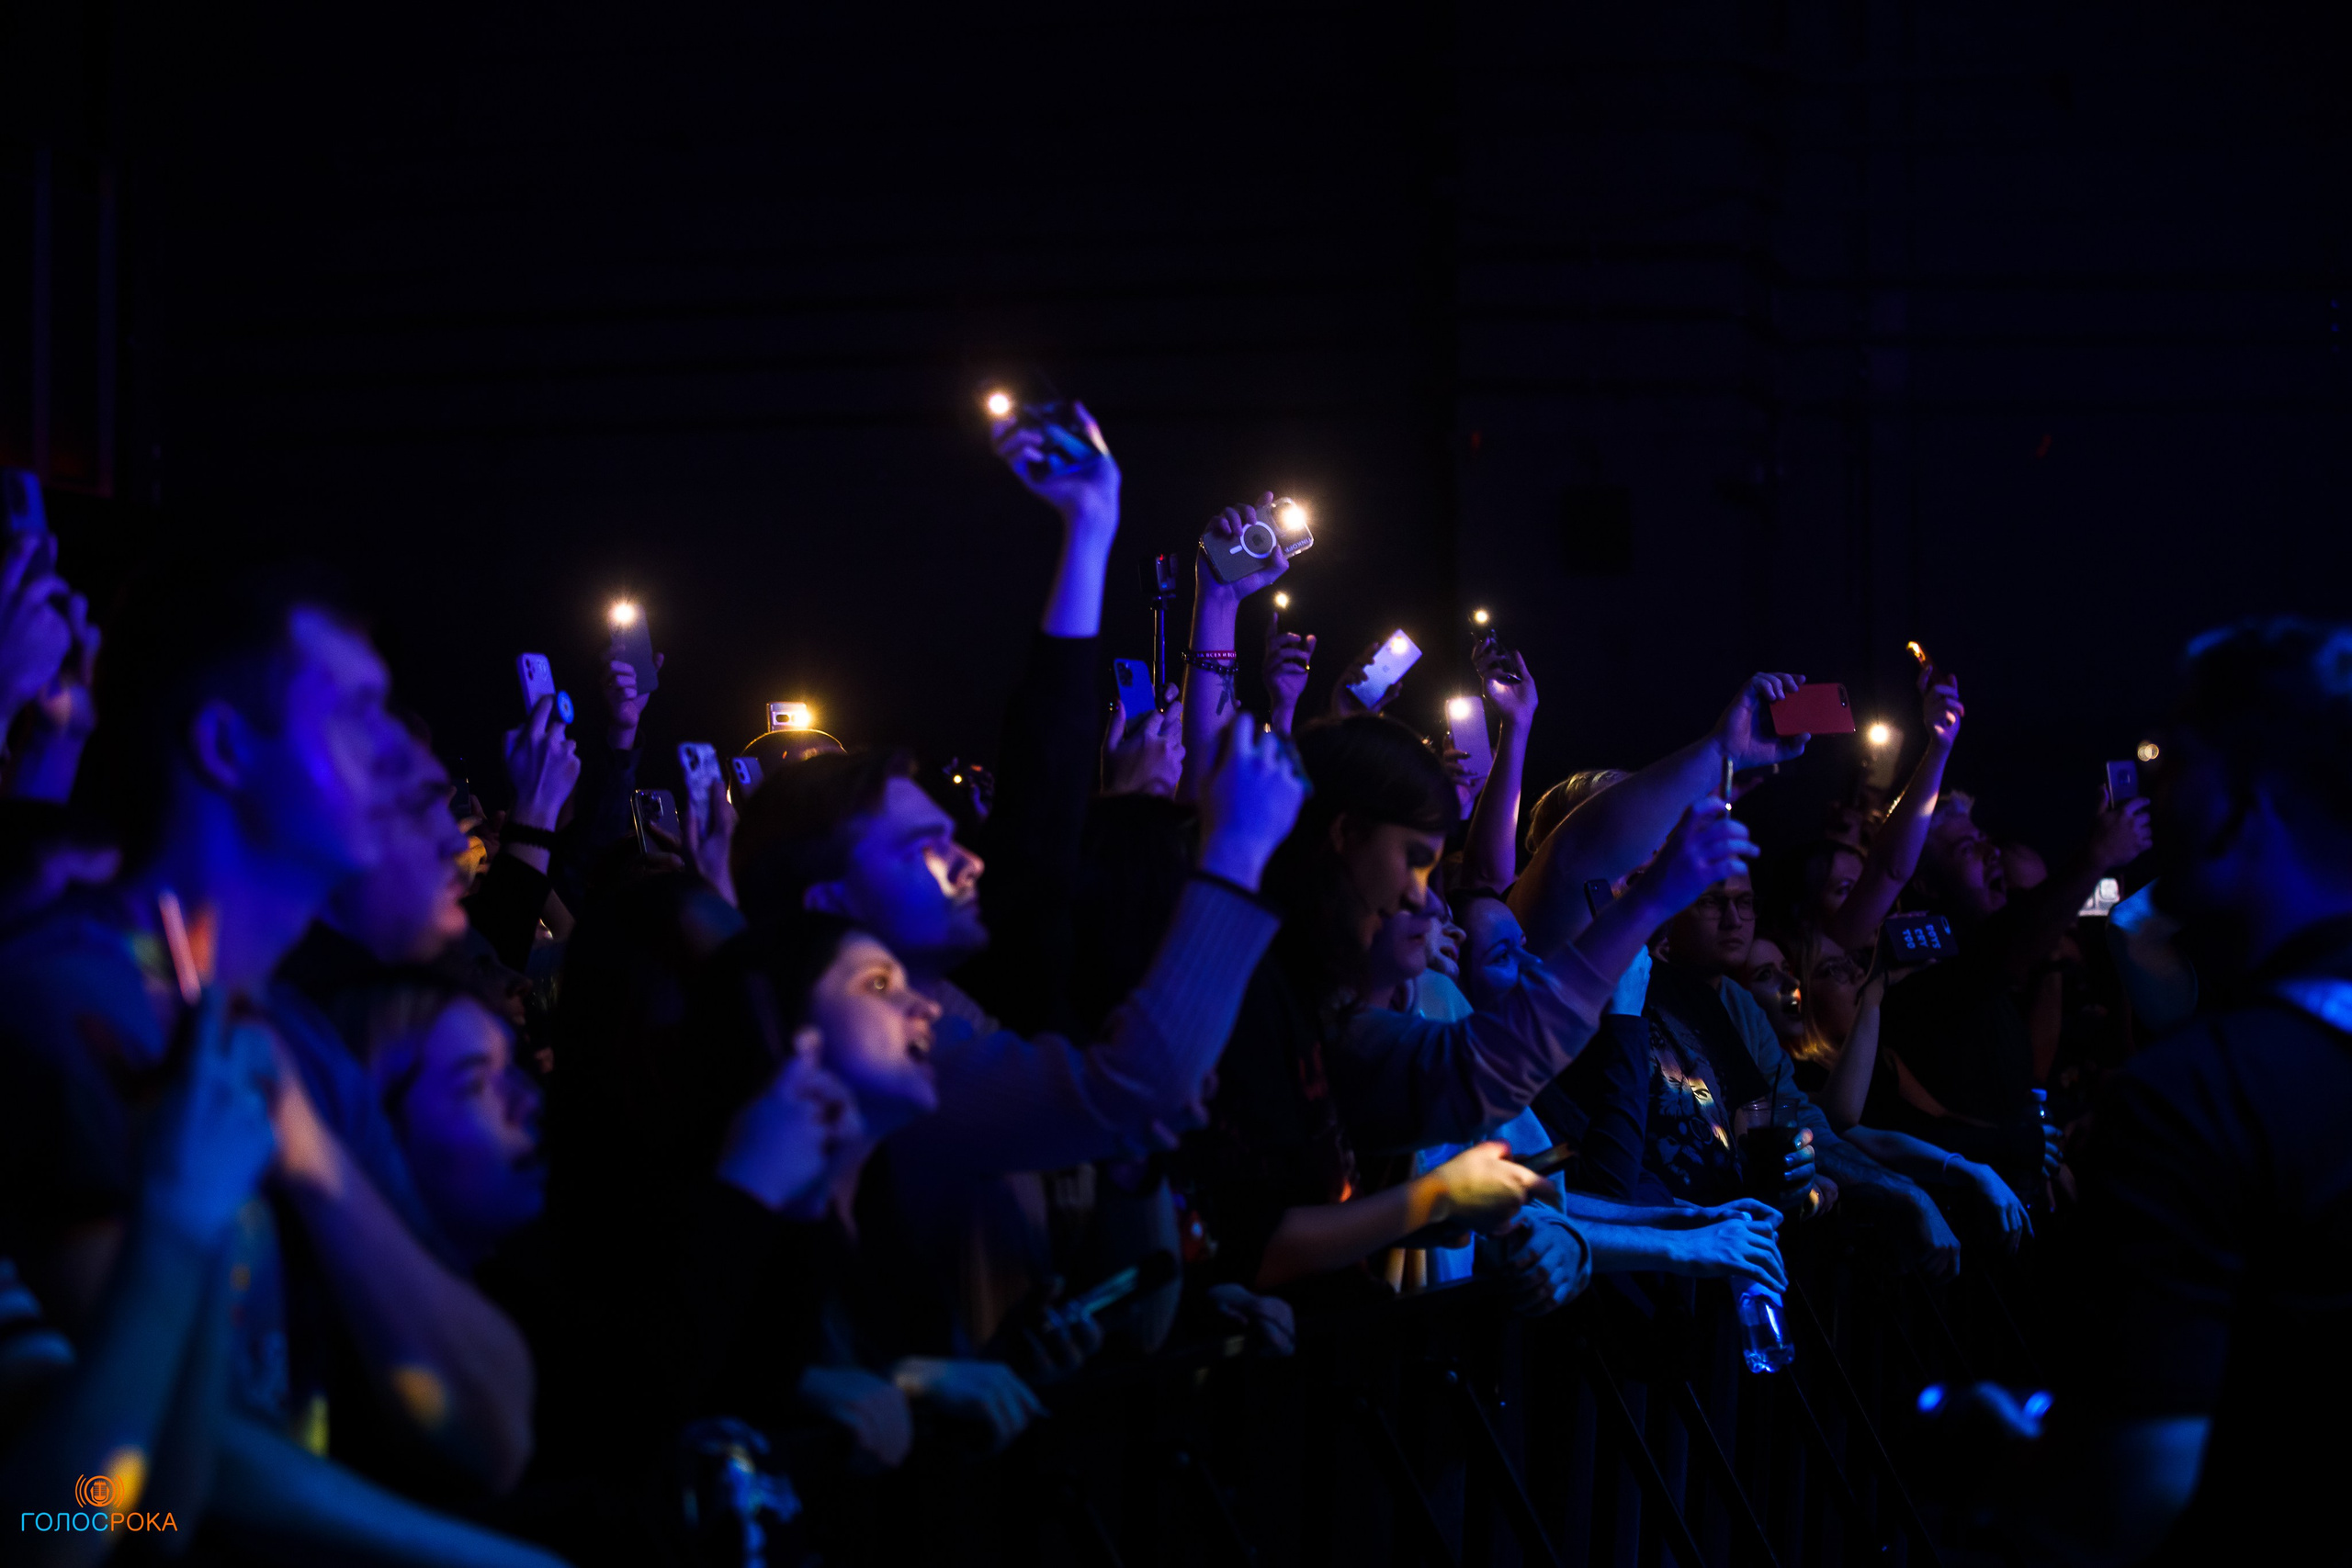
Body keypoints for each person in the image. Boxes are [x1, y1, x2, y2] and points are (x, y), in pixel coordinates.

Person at [0, 562, 549, 1559]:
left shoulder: (295, 1042)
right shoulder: (63, 1009)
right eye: (357, 714)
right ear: (224, 749)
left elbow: (492, 1427)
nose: (396, 754)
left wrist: (318, 1164)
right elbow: (102, 1498)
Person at [2019, 616, 2352, 1563]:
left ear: (2243, 803)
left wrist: (2008, 1463)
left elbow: (2145, 1498)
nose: (2154, 796)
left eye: (2178, 764)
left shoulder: (2202, 1100)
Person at [1645, 865, 1967, 1275]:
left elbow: (1796, 1120)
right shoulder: (1650, 995)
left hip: (1734, 1244)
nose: (1734, 919)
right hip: (1677, 1247)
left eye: (1745, 903)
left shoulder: (1735, 1002)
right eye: (1711, 902)